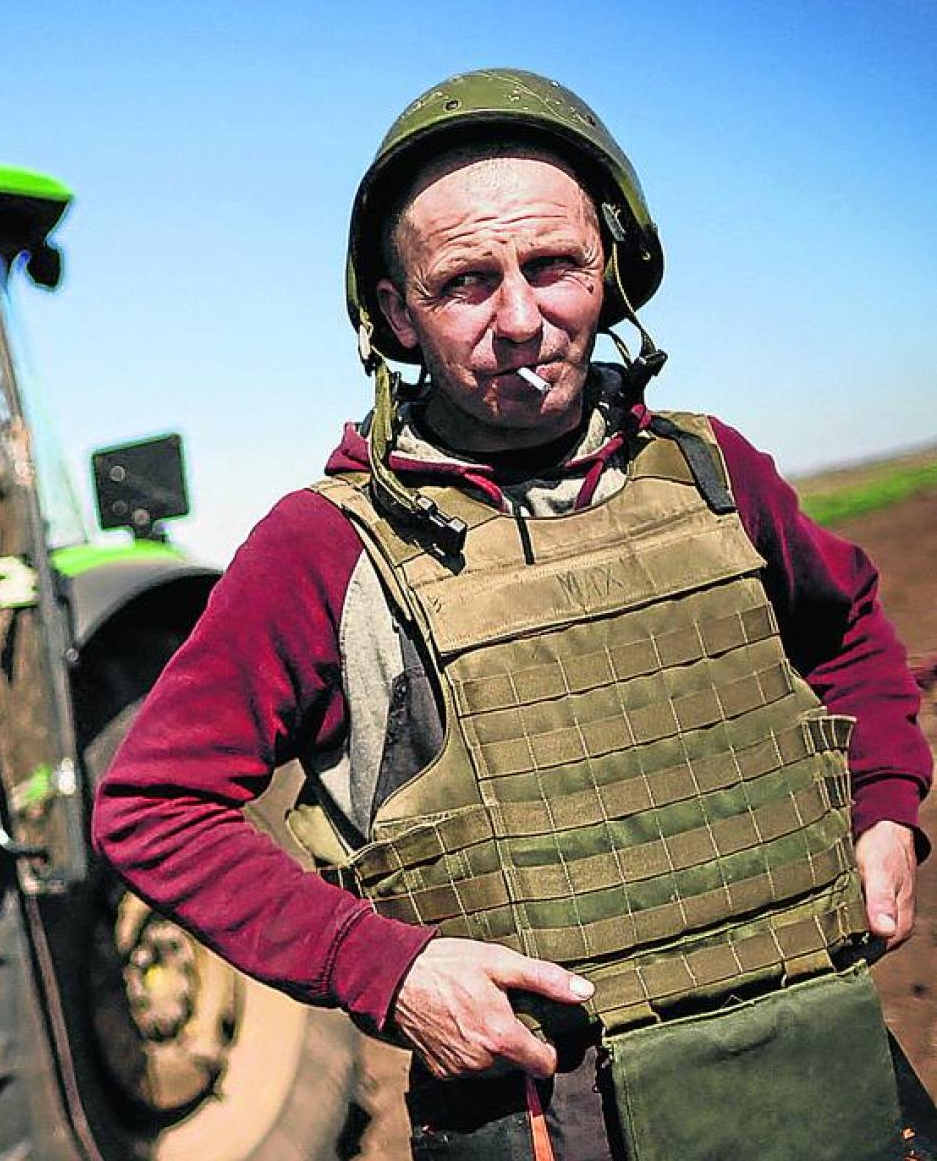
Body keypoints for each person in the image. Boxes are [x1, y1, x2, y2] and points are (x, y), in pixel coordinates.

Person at [92, 68, 932, 1159]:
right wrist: (387, 969)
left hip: (818, 1064)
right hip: (546, 1117)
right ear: (396, 312)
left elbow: (852, 631)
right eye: (465, 282)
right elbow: (152, 803)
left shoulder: (716, 472)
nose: (521, 318)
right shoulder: (323, 549)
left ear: (612, 268)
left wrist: (887, 803)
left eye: (554, 266)